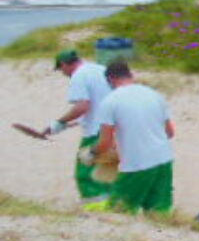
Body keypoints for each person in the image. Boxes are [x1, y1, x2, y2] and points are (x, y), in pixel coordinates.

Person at [95, 61, 176, 214]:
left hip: (138, 164)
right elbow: (170, 132)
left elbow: (105, 143)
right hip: (164, 160)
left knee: (118, 211)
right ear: (130, 75)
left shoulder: (110, 101)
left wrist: (92, 152)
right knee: (159, 214)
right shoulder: (155, 95)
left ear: (110, 79)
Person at [47, 49, 113, 208]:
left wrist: (59, 122)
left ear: (64, 65)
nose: (63, 73)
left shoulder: (79, 76)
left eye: (61, 69)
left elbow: (82, 106)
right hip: (115, 128)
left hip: (96, 131)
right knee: (107, 169)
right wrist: (67, 125)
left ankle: (96, 207)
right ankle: (114, 204)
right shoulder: (100, 69)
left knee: (84, 172)